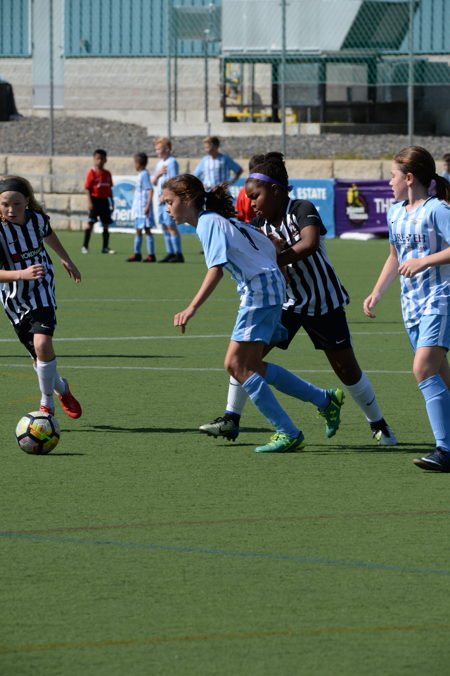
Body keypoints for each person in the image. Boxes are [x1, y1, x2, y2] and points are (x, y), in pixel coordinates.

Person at [199, 152, 397, 445]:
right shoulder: (259, 224)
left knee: (346, 368)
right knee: (245, 359)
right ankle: (231, 417)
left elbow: (310, 243)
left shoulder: (301, 208)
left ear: (275, 191)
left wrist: (274, 258)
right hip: (284, 304)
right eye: (249, 198)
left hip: (323, 301)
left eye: (256, 196)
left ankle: (378, 424)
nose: (252, 203)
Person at [165, 173, 344, 453]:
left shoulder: (208, 222)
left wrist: (192, 307)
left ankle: (288, 432)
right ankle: (324, 400)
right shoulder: (221, 220)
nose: (167, 208)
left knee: (236, 366)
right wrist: (278, 270)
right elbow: (268, 244)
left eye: (169, 201)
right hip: (268, 289)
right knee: (252, 366)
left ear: (187, 199)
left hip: (259, 292)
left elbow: (216, 270)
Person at [363, 146, 450, 472]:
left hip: (441, 299)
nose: (389, 182)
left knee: (423, 369)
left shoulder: (437, 209)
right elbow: (395, 256)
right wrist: (377, 292)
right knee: (441, 377)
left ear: (409, 178)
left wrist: (424, 261)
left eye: (392, 176)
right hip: (411, 305)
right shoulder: (395, 212)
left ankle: (445, 449)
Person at [0, 176, 82, 418]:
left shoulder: (36, 219)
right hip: (14, 300)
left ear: (27, 201)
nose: (11, 210)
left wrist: (65, 258)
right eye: (5, 204)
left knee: (43, 344)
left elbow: (48, 233)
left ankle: (47, 404)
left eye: (17, 203)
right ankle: (62, 388)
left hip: (42, 289)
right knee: (39, 358)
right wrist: (21, 274)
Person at [151, 137, 184, 263]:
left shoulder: (172, 162)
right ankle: (170, 252)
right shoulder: (159, 164)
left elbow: (174, 181)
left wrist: (166, 196)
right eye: (156, 149)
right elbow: (154, 181)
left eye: (159, 149)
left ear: (167, 149)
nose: (157, 151)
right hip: (160, 200)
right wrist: (158, 174)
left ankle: (178, 254)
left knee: (171, 226)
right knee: (164, 226)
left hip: (168, 200)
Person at [82, 148, 115, 254]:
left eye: (102, 159)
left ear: (105, 160)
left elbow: (109, 189)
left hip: (104, 201)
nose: (99, 161)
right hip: (95, 200)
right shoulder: (91, 172)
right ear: (94, 159)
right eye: (97, 158)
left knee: (106, 224)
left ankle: (105, 247)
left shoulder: (107, 173)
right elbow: (87, 188)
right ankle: (85, 246)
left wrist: (112, 202)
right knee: (90, 223)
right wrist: (89, 202)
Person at [126, 152, 156, 262]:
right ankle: (137, 254)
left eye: (134, 163)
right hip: (139, 209)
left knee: (147, 230)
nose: (134, 165)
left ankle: (151, 255)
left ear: (138, 163)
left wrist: (148, 205)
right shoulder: (141, 174)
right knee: (138, 230)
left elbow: (150, 189)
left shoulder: (144, 174)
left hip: (143, 208)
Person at [235, 155, 263, 223]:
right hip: (254, 227)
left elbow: (239, 216)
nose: (252, 204)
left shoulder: (242, 191)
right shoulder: (266, 191)